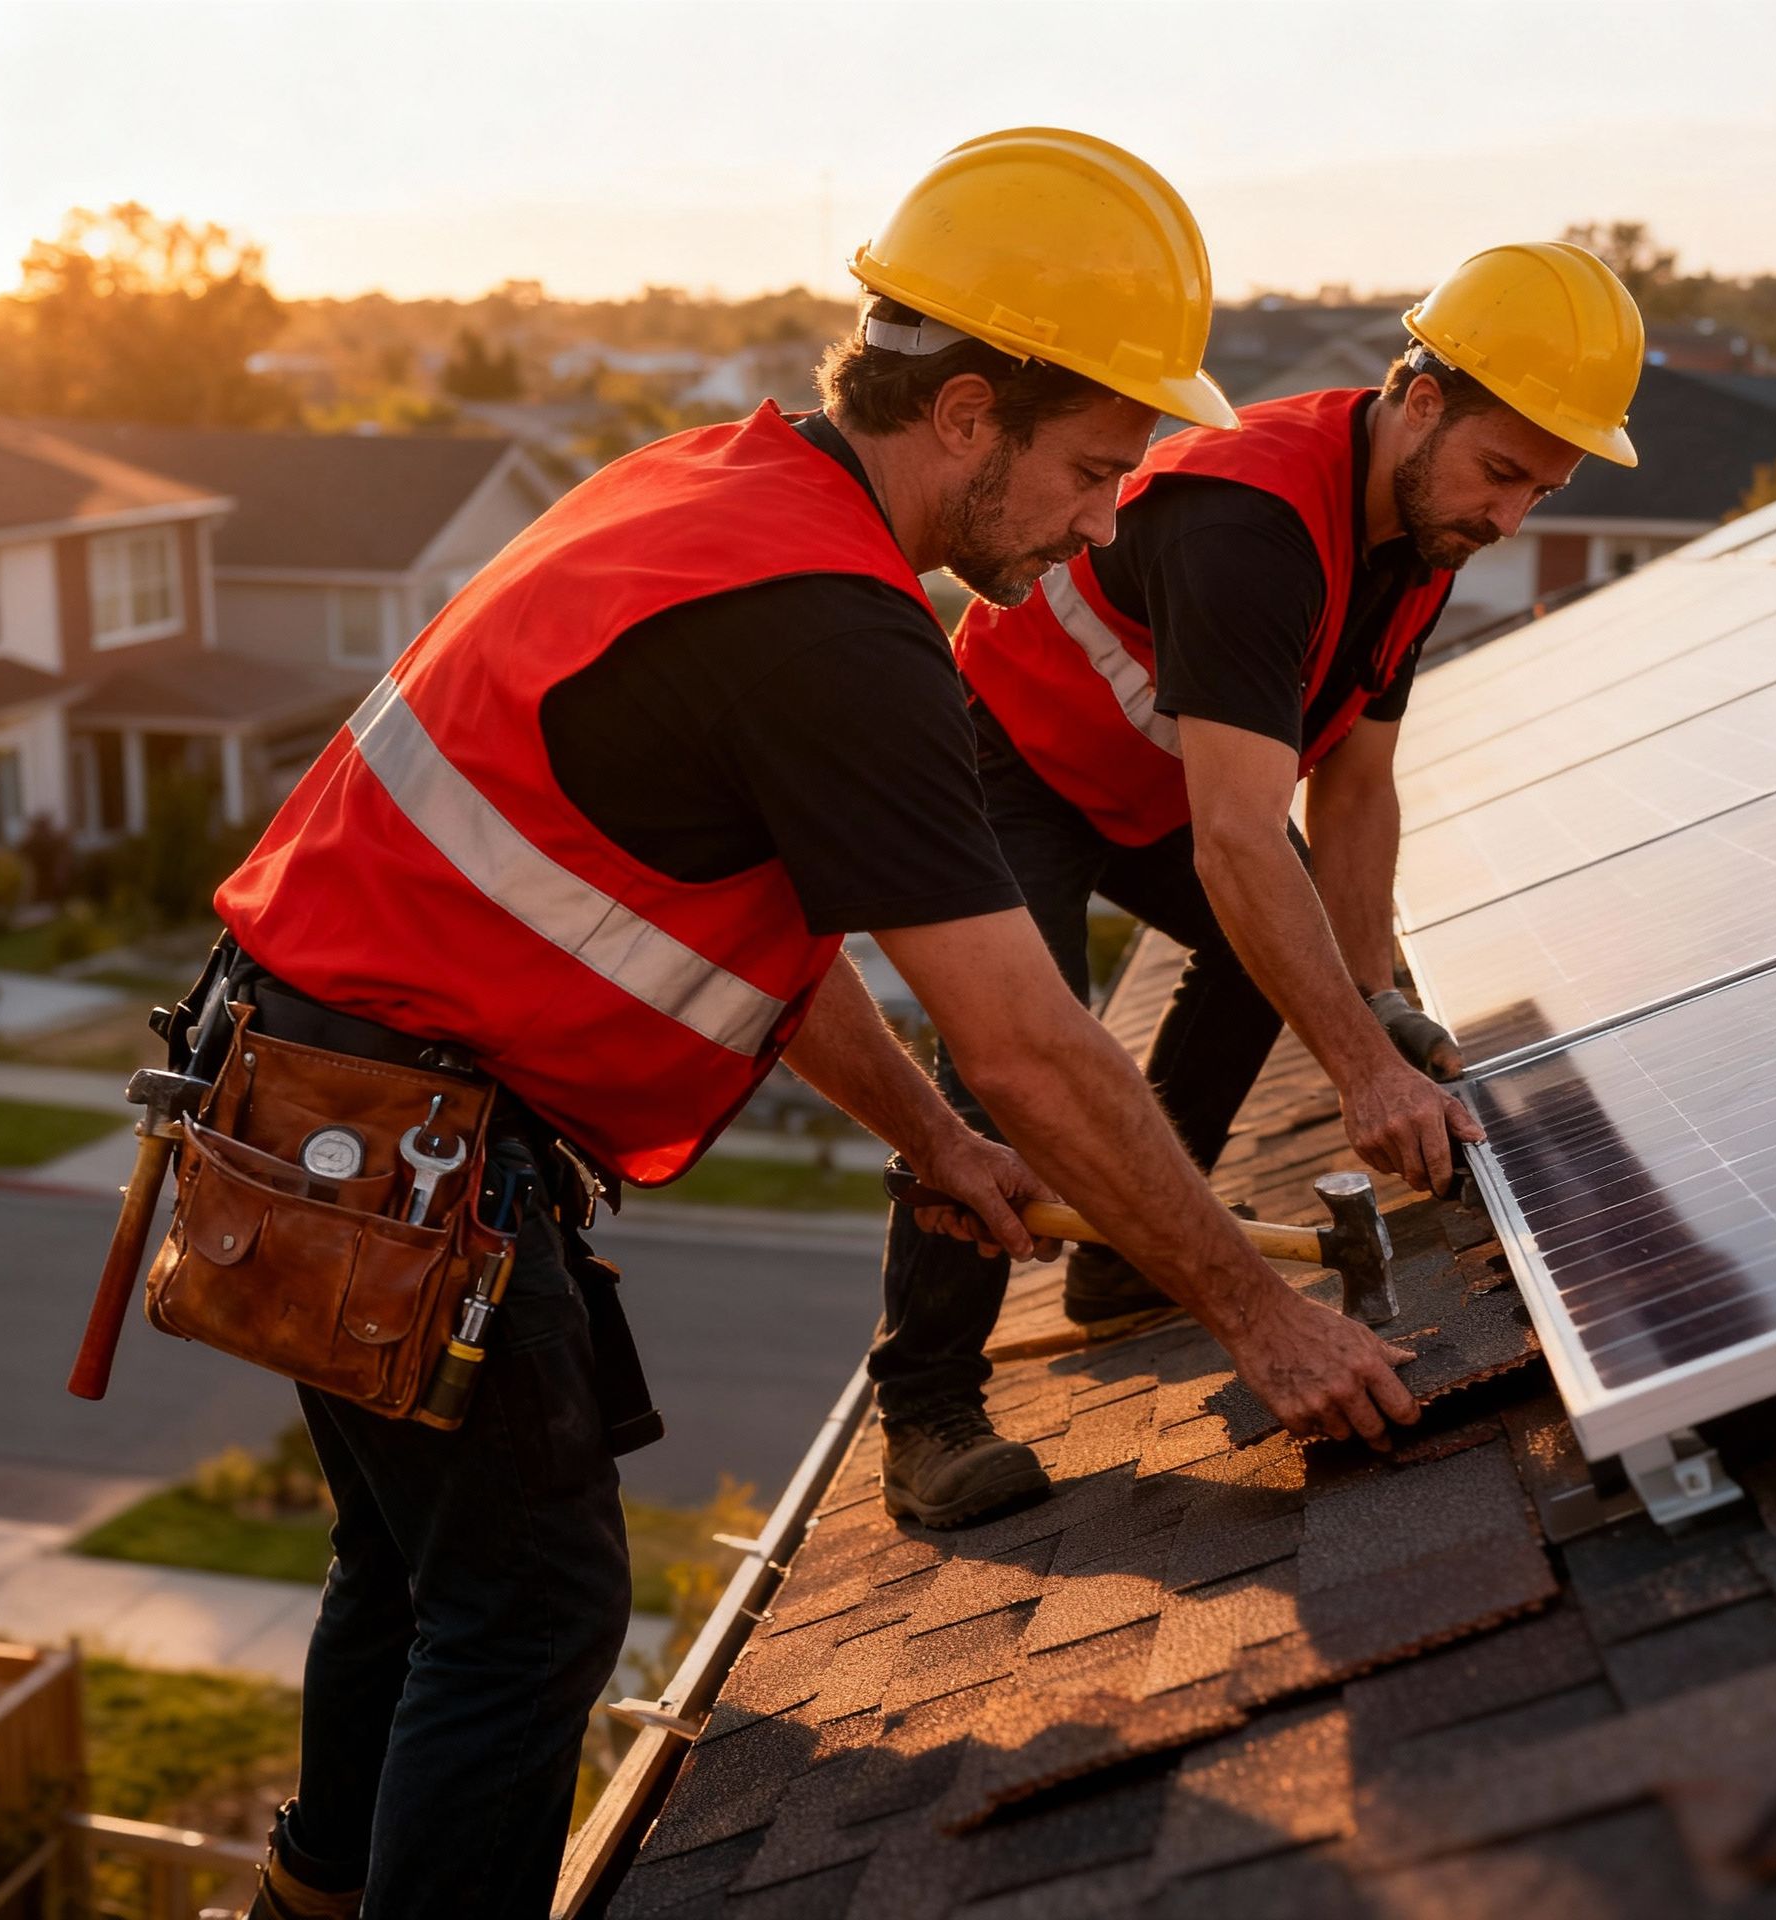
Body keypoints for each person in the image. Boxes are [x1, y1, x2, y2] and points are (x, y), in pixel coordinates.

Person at [197, 130, 1422, 1920]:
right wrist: (1264, 1320)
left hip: (303, 1100)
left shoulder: (719, 489)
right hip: (388, 1139)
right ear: (967, 413)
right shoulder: (833, 630)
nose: (1106, 524)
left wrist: (933, 1146)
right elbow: (1023, 1035)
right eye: (1091, 468)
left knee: (409, 1574)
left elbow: (759, 941)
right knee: (531, 1611)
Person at [872, 241, 1646, 1513]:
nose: (1509, 519)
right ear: (1424, 397)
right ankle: (927, 1409)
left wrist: (1374, 994)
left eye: (1541, 495)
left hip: (1147, 777)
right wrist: (1359, 1069)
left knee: (1278, 955)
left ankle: (1128, 1257)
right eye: (1504, 475)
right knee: (1017, 1052)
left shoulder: (1422, 536)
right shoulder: (1254, 520)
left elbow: (1356, 787)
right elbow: (1239, 838)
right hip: (1010, 754)